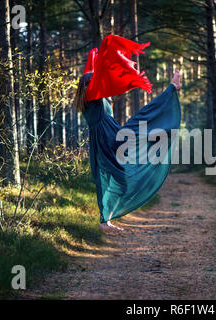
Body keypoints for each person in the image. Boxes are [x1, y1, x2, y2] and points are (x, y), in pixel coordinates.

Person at [73, 35, 182, 233]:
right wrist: (107, 47)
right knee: (144, 120)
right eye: (93, 82)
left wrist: (93, 56)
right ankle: (104, 221)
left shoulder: (88, 92)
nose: (98, 83)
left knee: (115, 176)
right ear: (88, 87)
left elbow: (92, 74)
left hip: (111, 135)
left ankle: (105, 220)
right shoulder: (90, 96)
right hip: (109, 140)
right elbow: (97, 78)